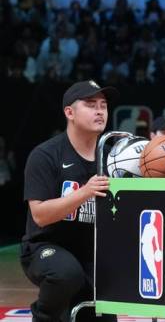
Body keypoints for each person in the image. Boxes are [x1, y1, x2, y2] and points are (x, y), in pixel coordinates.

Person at [20, 80, 119, 322]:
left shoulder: (114, 157)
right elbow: (40, 215)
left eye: (103, 105)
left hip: (92, 254)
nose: (99, 111)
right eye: (90, 104)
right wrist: (84, 192)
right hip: (45, 247)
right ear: (69, 113)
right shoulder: (45, 155)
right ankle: (42, 317)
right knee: (66, 273)